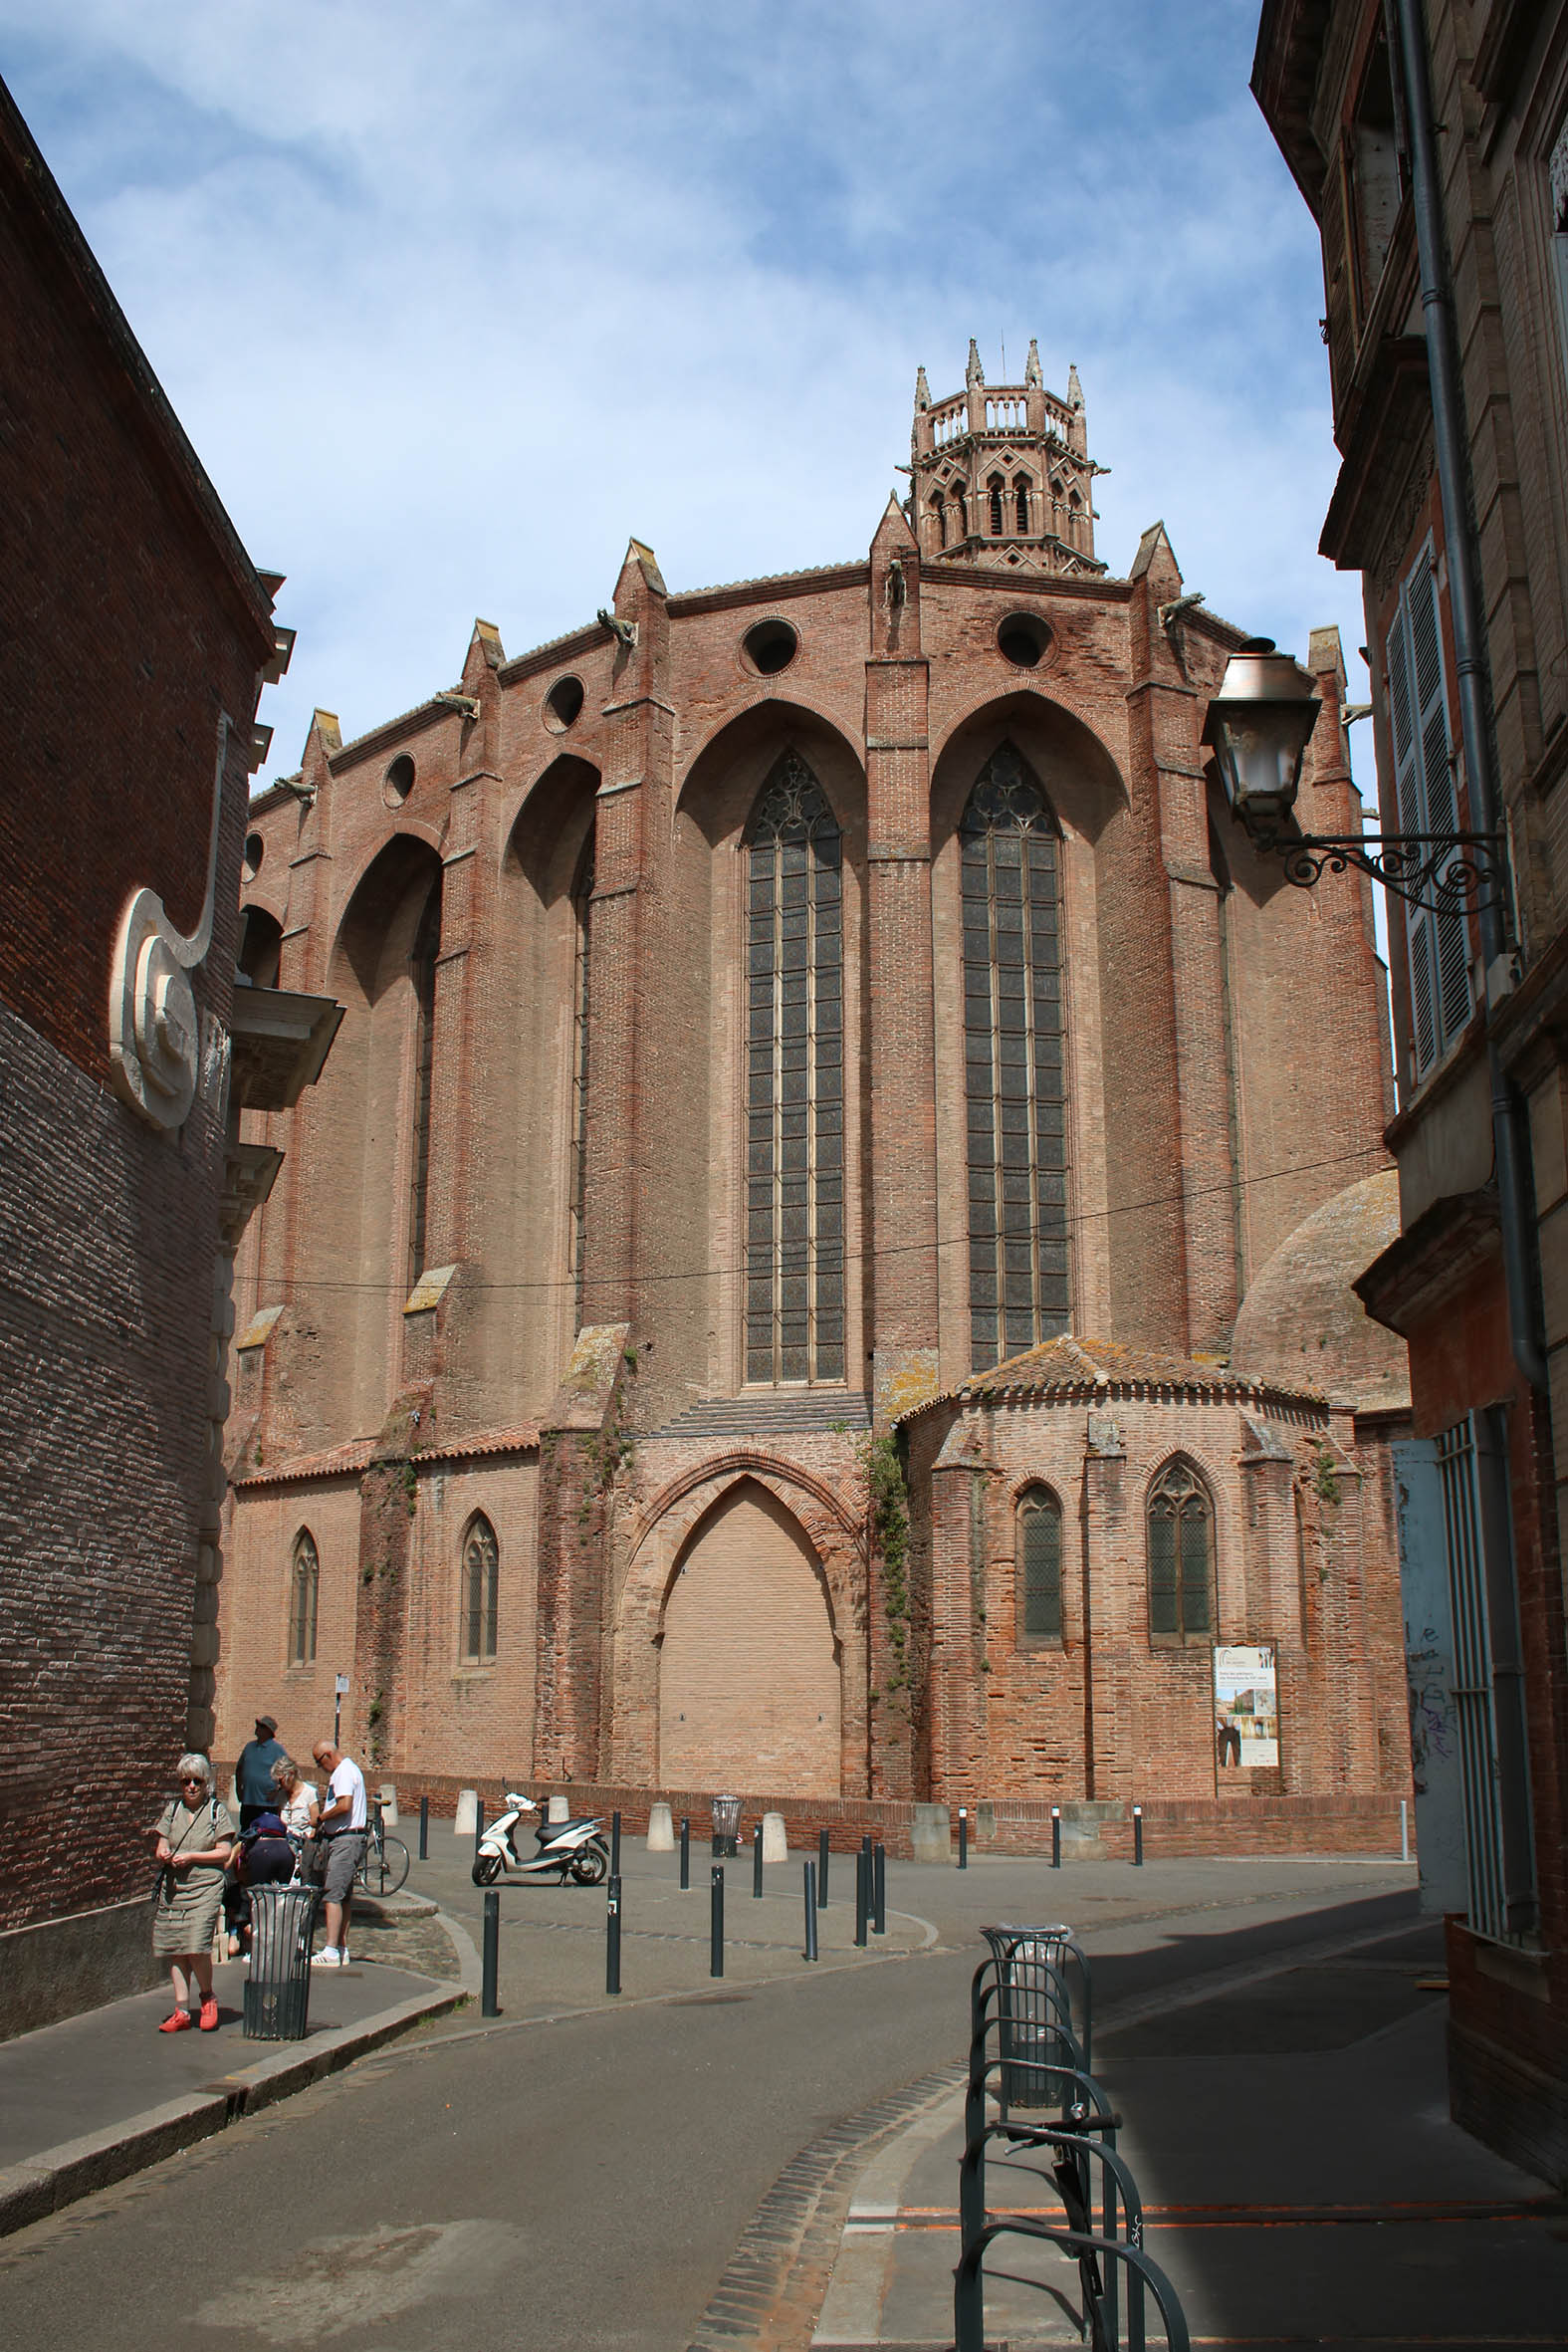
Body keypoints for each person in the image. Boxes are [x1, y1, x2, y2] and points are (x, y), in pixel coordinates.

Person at [149, 1754, 235, 2031]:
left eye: (197, 1781)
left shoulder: (215, 1811)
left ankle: (207, 1998)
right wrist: (164, 1853)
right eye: (186, 1781)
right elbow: (161, 1844)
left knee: (196, 1946)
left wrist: (191, 1856)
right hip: (175, 1888)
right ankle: (182, 2011)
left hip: (205, 1887)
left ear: (206, 1782)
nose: (191, 1786)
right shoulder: (172, 1810)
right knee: (176, 1948)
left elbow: (224, 1852)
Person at [309, 1739, 367, 1968]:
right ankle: (341, 1947)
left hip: (345, 1840)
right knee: (343, 1896)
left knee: (332, 1894)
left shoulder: (343, 1772)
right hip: (348, 1838)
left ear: (328, 1756)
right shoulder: (348, 1770)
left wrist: (321, 1818)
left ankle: (331, 1950)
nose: (319, 1767)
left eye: (318, 1762)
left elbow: (344, 1805)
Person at [223, 1806, 299, 1957]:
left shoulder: (245, 1845)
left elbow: (227, 1864)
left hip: (263, 1855)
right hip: (287, 1855)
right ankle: (281, 1946)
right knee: (280, 1899)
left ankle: (259, 1950)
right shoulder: (282, 1840)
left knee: (259, 1902)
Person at [234, 1715, 287, 1829]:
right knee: (246, 1831)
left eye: (261, 1726)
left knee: (266, 1832)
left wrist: (278, 1791)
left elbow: (288, 1772)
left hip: (267, 1804)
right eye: (257, 1725)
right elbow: (239, 1768)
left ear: (269, 1731)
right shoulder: (249, 1747)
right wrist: (238, 1789)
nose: (257, 1727)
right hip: (248, 1801)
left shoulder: (277, 1749)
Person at [271, 1754, 319, 1860]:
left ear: (291, 1774)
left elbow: (315, 1823)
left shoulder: (310, 1793)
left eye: (281, 1780)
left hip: (304, 1843)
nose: (279, 1784)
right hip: (285, 1843)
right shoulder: (281, 1795)